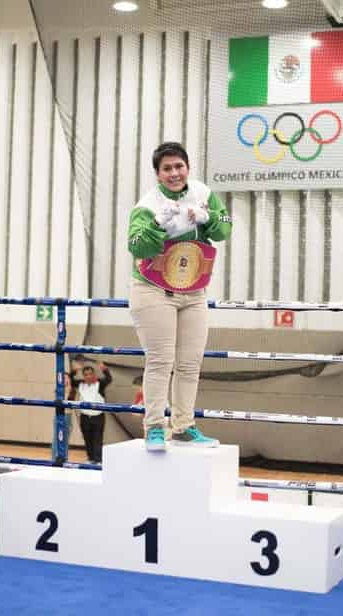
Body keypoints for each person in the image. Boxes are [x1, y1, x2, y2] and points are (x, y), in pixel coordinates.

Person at [128, 141, 232, 451]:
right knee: (161, 361)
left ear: (187, 167)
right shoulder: (146, 205)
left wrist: (209, 219)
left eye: (179, 166)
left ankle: (184, 426)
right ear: (157, 174)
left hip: (194, 291)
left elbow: (225, 227)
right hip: (153, 291)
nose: (174, 173)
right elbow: (136, 246)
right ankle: (155, 428)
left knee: (190, 364)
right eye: (167, 169)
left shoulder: (203, 193)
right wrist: (159, 224)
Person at [71, 360, 113, 464]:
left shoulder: (100, 384)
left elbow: (109, 379)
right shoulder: (80, 384)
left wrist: (104, 369)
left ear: (94, 374)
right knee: (87, 438)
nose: (88, 376)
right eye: (86, 375)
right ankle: (90, 458)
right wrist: (75, 370)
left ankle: (98, 460)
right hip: (85, 416)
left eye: (90, 374)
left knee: (97, 439)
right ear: (83, 376)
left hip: (97, 416)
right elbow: (71, 380)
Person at [51, 371, 78, 461]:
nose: (65, 380)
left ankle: (64, 458)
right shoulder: (58, 390)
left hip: (67, 416)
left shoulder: (73, 390)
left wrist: (69, 385)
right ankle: (54, 458)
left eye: (67, 378)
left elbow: (70, 403)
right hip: (58, 416)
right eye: (63, 378)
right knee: (56, 438)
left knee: (65, 438)